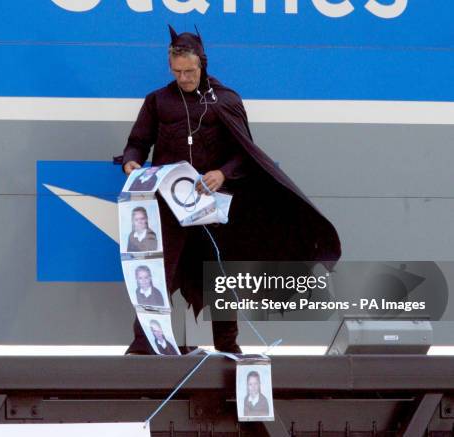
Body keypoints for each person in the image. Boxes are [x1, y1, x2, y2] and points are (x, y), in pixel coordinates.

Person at [121, 25, 341, 355]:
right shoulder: (157, 101)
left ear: (202, 64)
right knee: (158, 272)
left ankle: (227, 344)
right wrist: (132, 163)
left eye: (190, 71)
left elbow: (245, 152)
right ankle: (145, 342)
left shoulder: (225, 100)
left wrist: (222, 174)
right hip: (168, 205)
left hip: (213, 206)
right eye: (178, 72)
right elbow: (137, 143)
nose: (184, 78)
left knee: (221, 276)